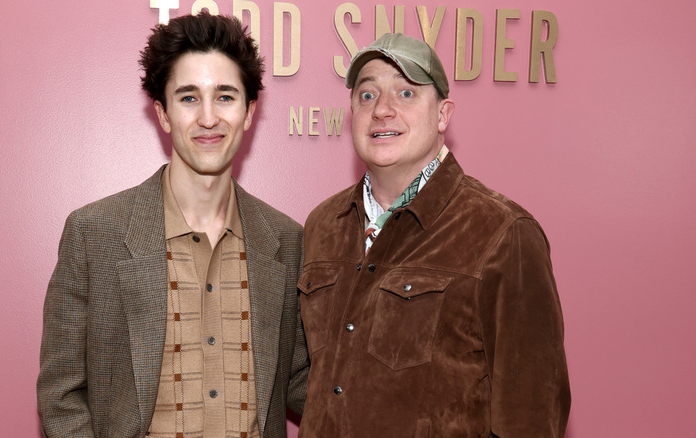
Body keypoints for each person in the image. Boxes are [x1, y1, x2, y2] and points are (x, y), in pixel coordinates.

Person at [37, 12, 308, 438]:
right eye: (188, 98)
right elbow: (61, 394)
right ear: (162, 114)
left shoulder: (287, 241)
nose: (207, 118)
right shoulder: (94, 234)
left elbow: (302, 380)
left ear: (249, 111)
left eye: (224, 96)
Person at [297, 33, 570, 437]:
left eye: (406, 93)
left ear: (442, 115)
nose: (382, 110)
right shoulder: (323, 224)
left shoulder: (502, 233)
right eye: (367, 95)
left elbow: (532, 414)